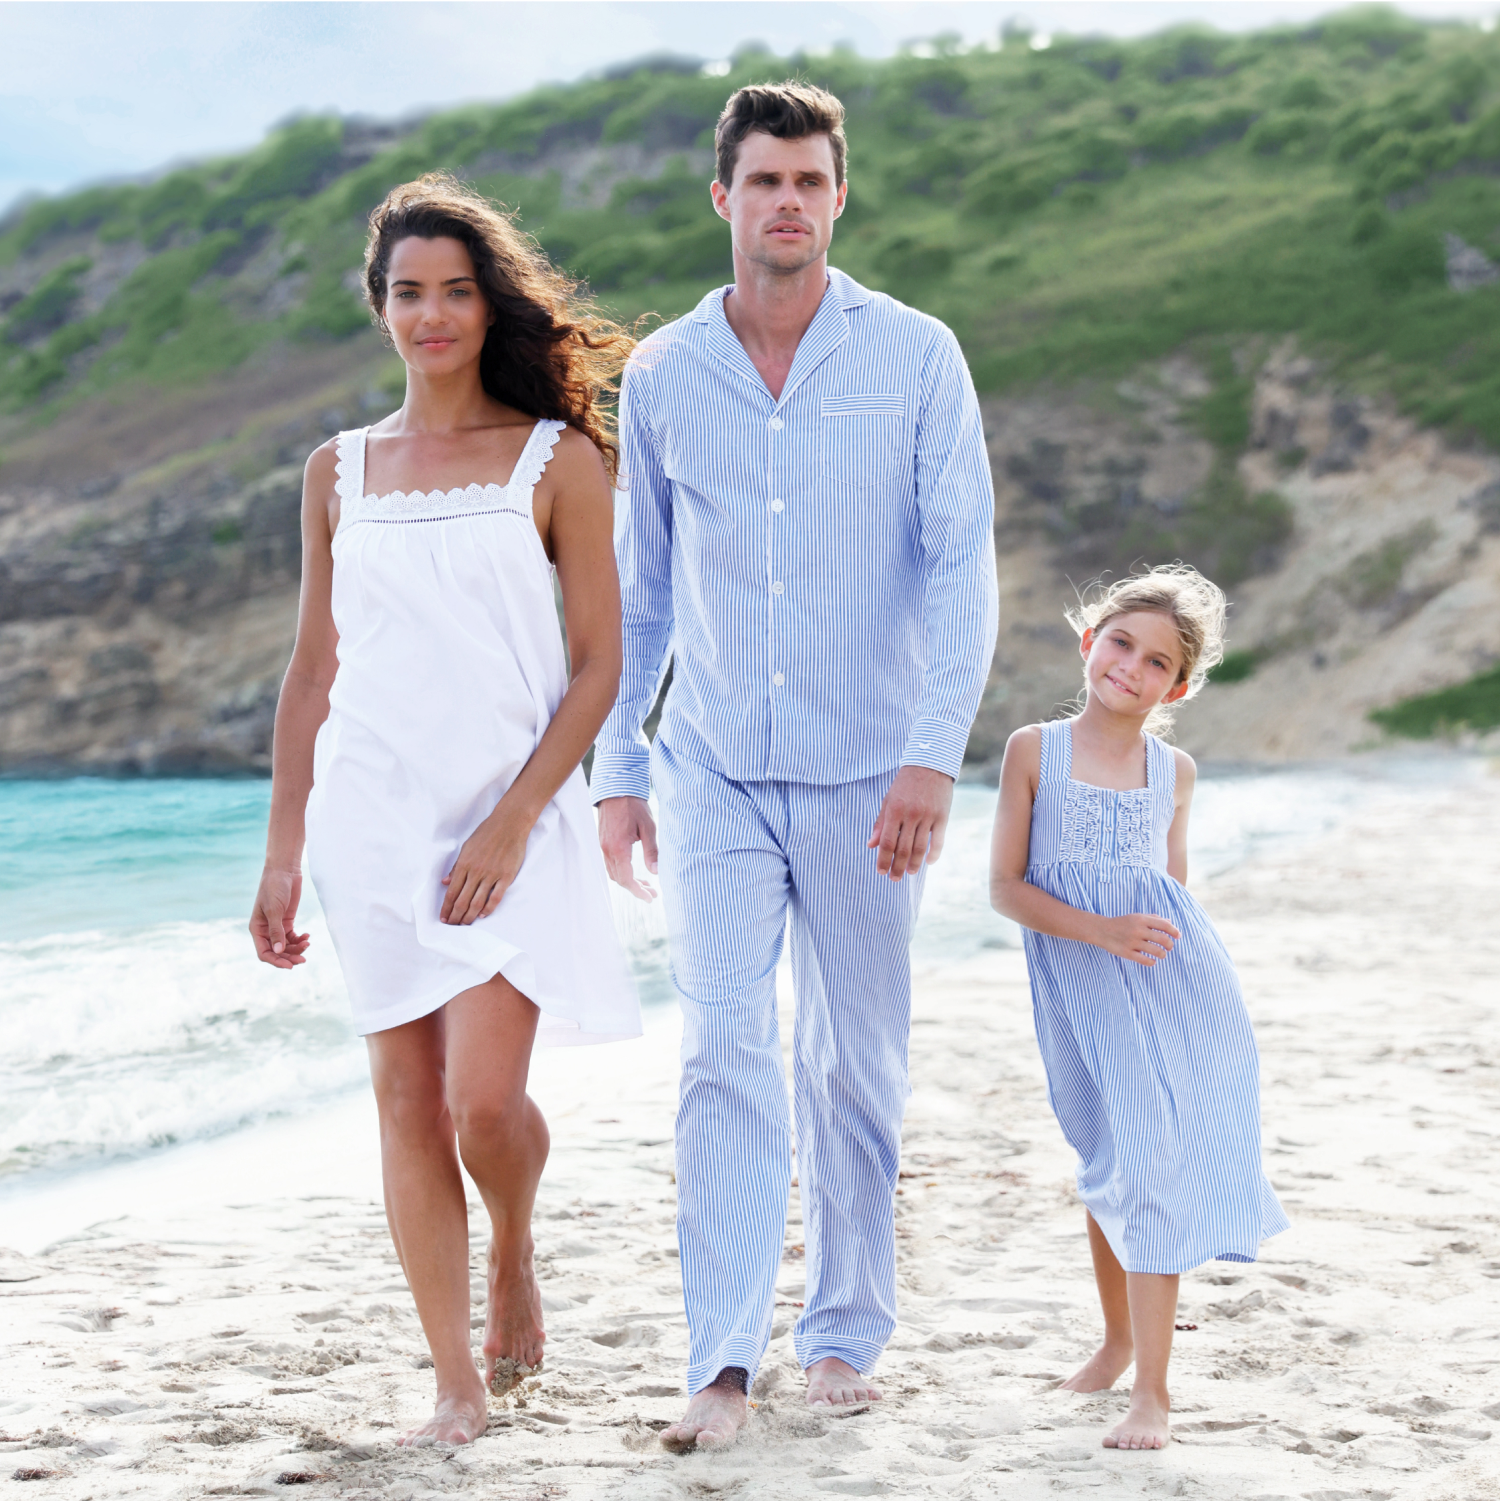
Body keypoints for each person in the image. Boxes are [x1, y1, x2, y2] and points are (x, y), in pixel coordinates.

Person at [592, 82, 999, 1450]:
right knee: (722, 1049)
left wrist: (932, 758)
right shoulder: (663, 374)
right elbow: (638, 591)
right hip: (707, 763)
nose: (787, 203)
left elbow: (962, 569)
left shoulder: (919, 356)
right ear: (723, 198)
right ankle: (719, 1357)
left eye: (810, 182)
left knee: (852, 1065)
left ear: (840, 195)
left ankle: (841, 1333)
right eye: (763, 180)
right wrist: (617, 769)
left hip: (869, 770)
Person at [248, 173, 641, 1447]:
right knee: (405, 1101)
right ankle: (454, 1384)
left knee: (482, 1102)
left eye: (455, 292)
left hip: (505, 821)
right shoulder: (336, 471)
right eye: (408, 292)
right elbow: (314, 671)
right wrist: (281, 852)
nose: (432, 315)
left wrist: (520, 818)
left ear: (489, 307)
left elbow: (600, 667)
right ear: (380, 308)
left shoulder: (554, 460)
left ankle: (515, 1242)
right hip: (371, 823)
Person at [988, 564, 1289, 1451]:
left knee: (1152, 1164)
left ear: (1179, 685)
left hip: (1169, 990)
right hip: (1080, 990)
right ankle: (1117, 1340)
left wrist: (1140, 945)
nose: (1132, 665)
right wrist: (1100, 931)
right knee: (1108, 1156)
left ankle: (1152, 1392)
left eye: (1158, 660)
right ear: (1090, 642)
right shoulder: (1033, 750)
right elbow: (1006, 888)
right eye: (1121, 641)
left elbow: (1173, 886)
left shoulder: (1176, 770)